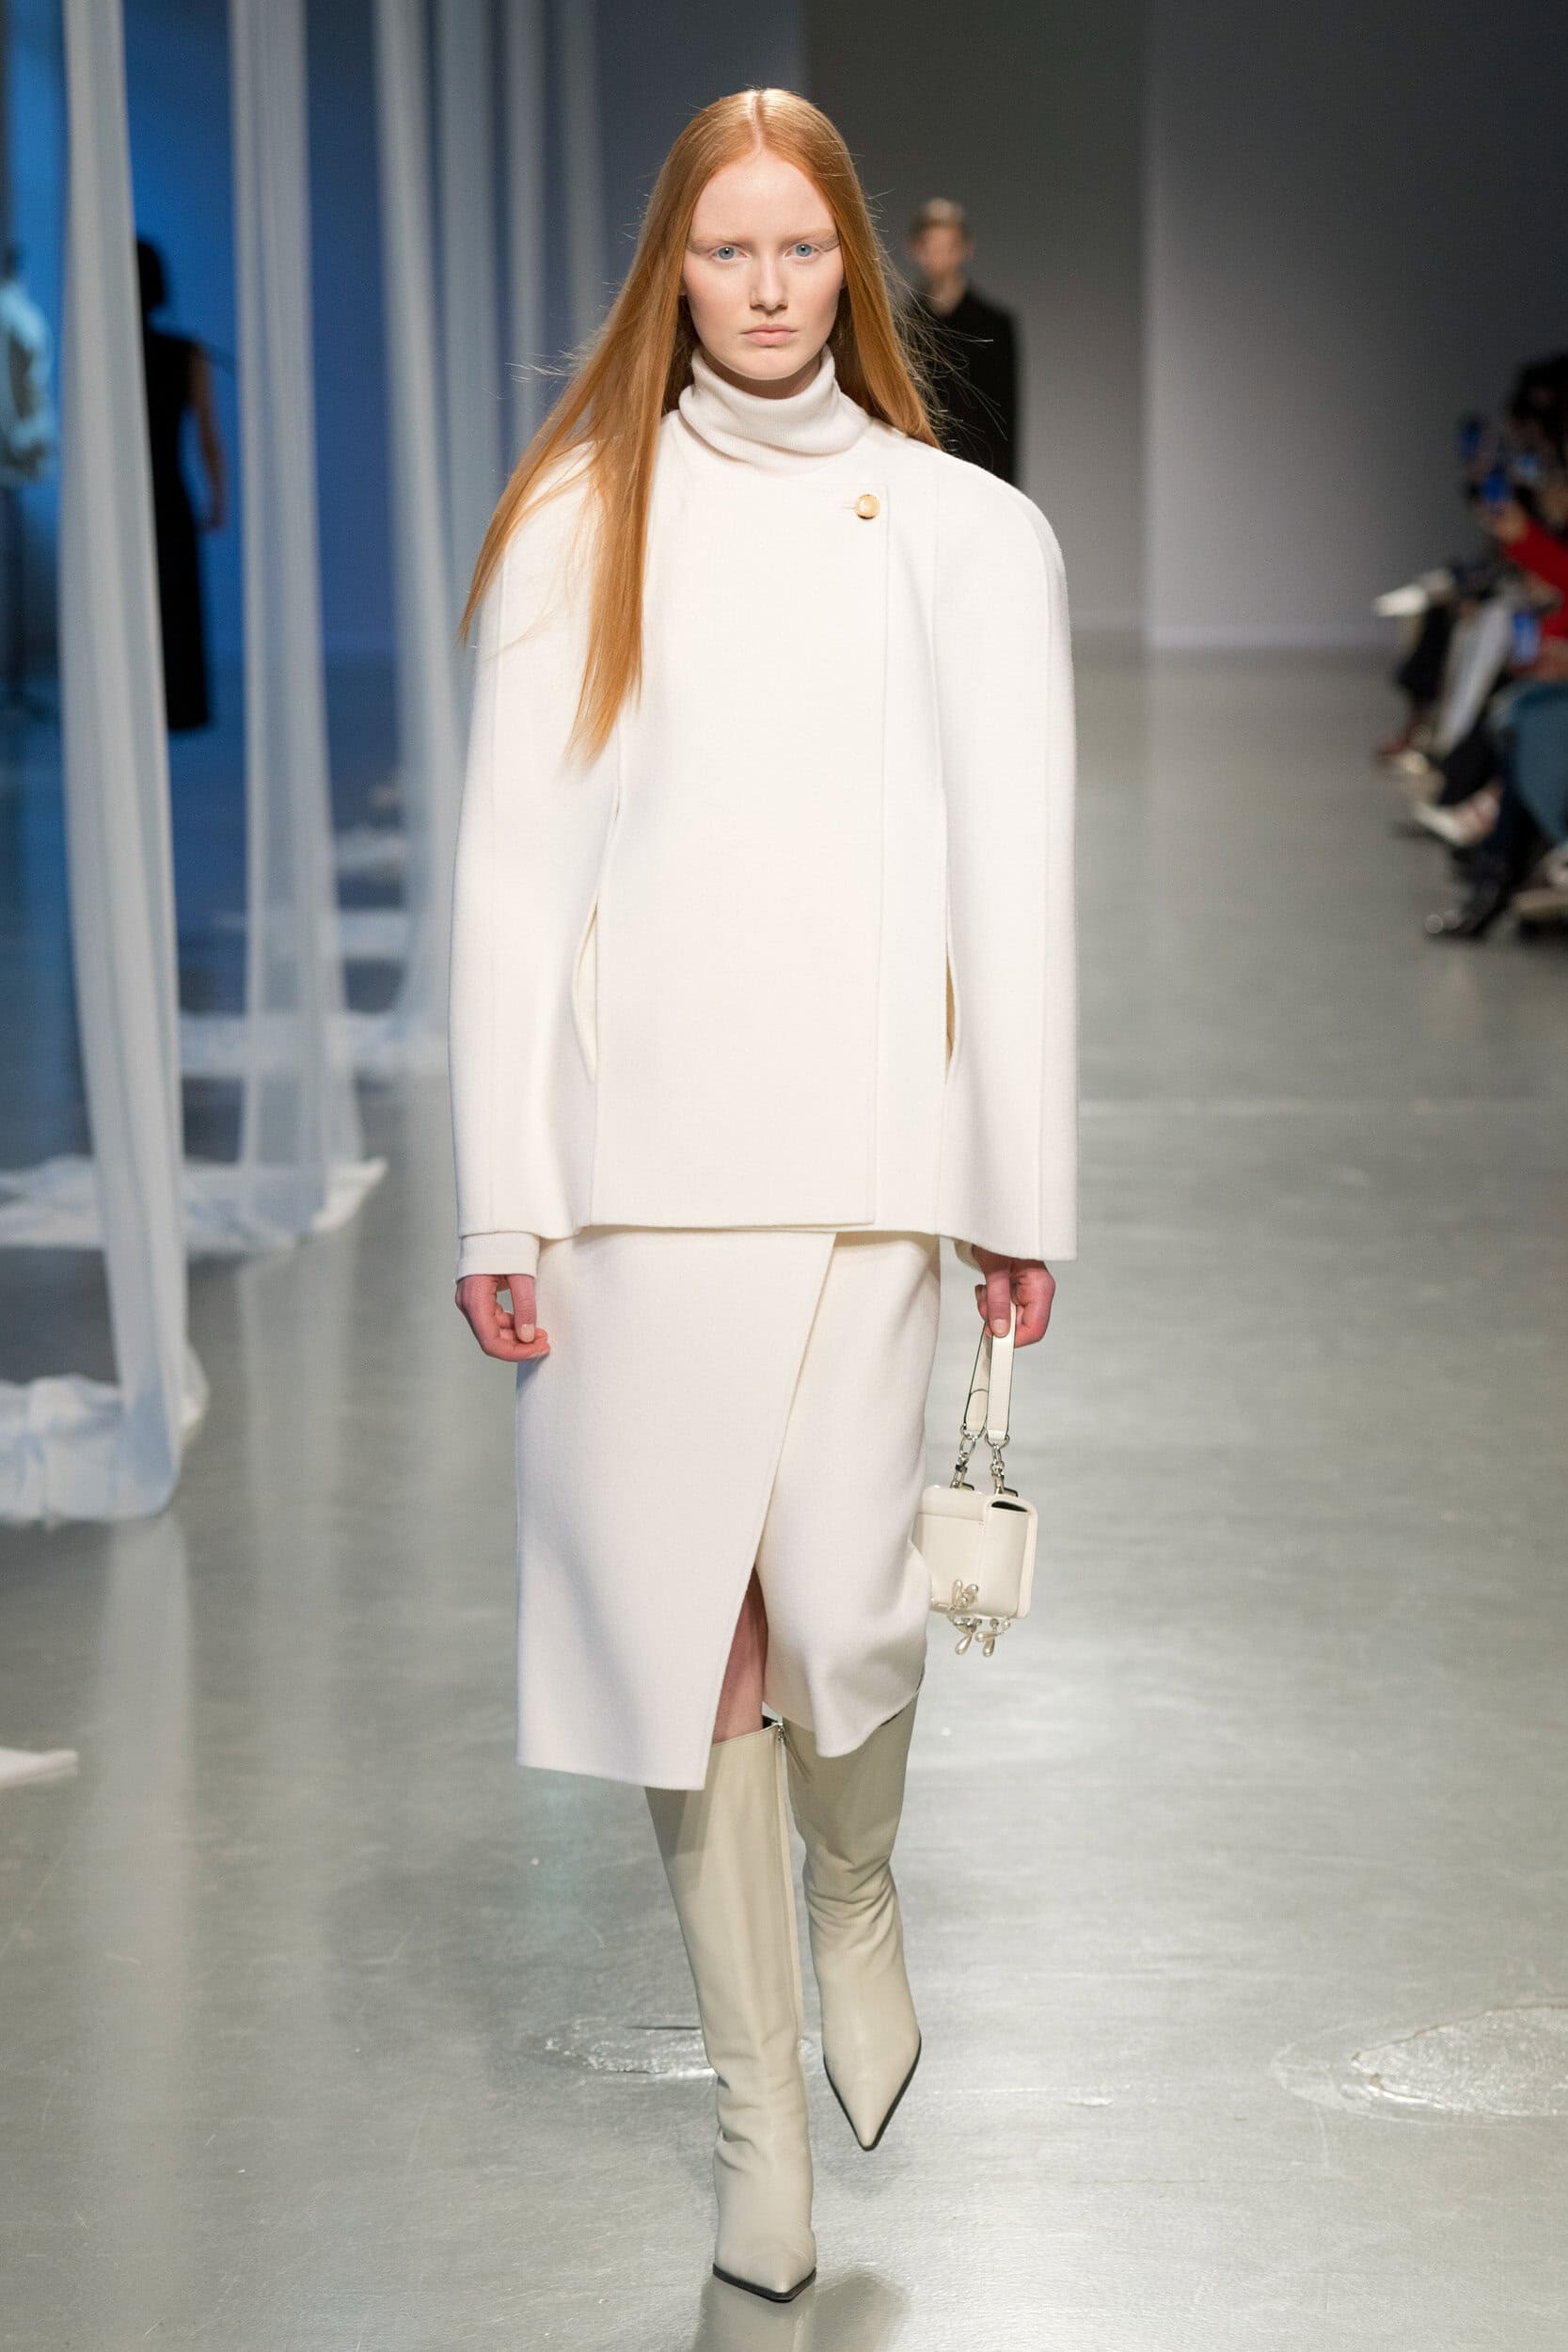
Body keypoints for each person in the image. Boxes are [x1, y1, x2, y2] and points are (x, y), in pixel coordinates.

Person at [447, 88, 1076, 2304]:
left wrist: (1020, 1191)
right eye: (725, 251)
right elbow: (514, 874)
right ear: (674, 270)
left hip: (868, 1165)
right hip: (635, 1173)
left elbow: (1013, 887)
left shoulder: (968, 536)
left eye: (798, 248)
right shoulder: (579, 517)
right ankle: (755, 2131)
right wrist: (501, 1199)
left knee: (839, 1605)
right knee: (681, 1631)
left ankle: (855, 1883)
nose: (767, 286)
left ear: (854, 266)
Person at [136, 237, 224, 732]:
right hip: (169, 494)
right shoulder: (186, 353)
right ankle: (179, 708)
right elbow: (207, 437)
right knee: (175, 603)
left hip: (135, 499)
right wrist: (217, 498)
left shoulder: (111, 354)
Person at [902, 196, 1019, 482]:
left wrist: (1005, 490)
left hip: (981, 475)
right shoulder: (901, 327)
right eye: (931, 247)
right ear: (915, 250)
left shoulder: (994, 327)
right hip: (919, 474)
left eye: (949, 247)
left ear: (966, 249)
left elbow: (1006, 419)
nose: (939, 258)